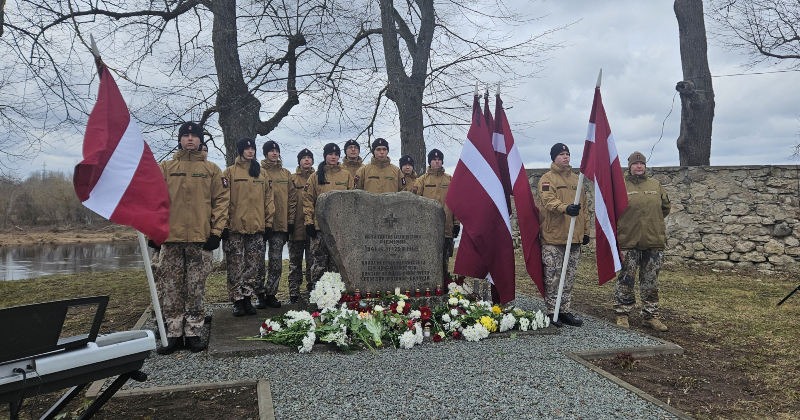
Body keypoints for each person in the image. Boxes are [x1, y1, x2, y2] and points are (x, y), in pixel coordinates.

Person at [155, 121, 229, 354]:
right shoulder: (166, 168)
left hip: (200, 239)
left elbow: (221, 203)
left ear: (200, 141)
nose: (189, 139)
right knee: (172, 287)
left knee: (195, 287)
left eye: (194, 136)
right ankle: (174, 333)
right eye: (185, 136)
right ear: (179, 139)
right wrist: (154, 233)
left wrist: (216, 233)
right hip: (171, 239)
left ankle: (193, 332)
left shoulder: (212, 170)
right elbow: (153, 201)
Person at [614, 151, 672, 332]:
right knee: (626, 279)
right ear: (629, 166)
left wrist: (650, 223)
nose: (639, 166)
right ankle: (623, 313)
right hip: (628, 239)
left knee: (651, 281)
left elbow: (665, 207)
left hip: (653, 240)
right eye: (635, 164)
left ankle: (650, 315)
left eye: (642, 164)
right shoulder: (620, 186)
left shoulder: (655, 185)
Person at [538, 143, 590, 328]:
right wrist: (565, 208)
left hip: (573, 237)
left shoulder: (577, 179)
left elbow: (584, 207)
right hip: (554, 237)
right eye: (561, 154)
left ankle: (565, 310)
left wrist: (585, 232)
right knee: (553, 277)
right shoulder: (546, 179)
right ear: (554, 158)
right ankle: (552, 311)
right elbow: (548, 201)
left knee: (569, 277)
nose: (565, 157)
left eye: (567, 154)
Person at [222, 137, 275, 317]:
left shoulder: (261, 174)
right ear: (240, 151)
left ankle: (247, 297)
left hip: (257, 228)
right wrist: (224, 226)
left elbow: (269, 201)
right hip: (235, 228)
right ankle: (237, 300)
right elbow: (223, 201)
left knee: (253, 266)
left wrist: (268, 224)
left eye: (252, 148)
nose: (250, 151)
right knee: (235, 266)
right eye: (246, 148)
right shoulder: (230, 173)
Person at [303, 143, 354, 288]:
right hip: (320, 228)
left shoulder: (346, 175)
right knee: (319, 263)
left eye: (336, 154)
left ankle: (336, 294)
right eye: (330, 154)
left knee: (337, 263)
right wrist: (309, 222)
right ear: (325, 155)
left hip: (339, 228)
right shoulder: (315, 176)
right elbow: (307, 201)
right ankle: (317, 294)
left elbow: (352, 200)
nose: (333, 157)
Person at [258, 141, 297, 309]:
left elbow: (293, 200)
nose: (274, 153)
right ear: (265, 153)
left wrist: (290, 222)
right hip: (260, 226)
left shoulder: (286, 174)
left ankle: (271, 293)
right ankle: (259, 294)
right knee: (258, 263)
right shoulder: (258, 172)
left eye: (276, 151)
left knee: (275, 262)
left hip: (279, 225)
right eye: (270, 151)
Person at [413, 149, 460, 275]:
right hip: (427, 227)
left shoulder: (450, 180)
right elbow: (415, 203)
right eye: (434, 160)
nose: (437, 162)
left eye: (439, 160)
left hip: (447, 226)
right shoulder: (422, 180)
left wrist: (456, 224)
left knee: (444, 261)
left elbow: (456, 203)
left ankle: (445, 286)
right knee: (426, 258)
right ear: (430, 162)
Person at [287, 148, 315, 303]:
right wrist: (289, 223)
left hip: (311, 229)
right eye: (303, 158)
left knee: (312, 263)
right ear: (299, 161)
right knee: (294, 263)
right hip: (296, 227)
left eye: (309, 158)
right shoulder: (292, 179)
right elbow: (289, 202)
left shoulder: (317, 177)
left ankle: (312, 290)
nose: (306, 160)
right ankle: (293, 291)